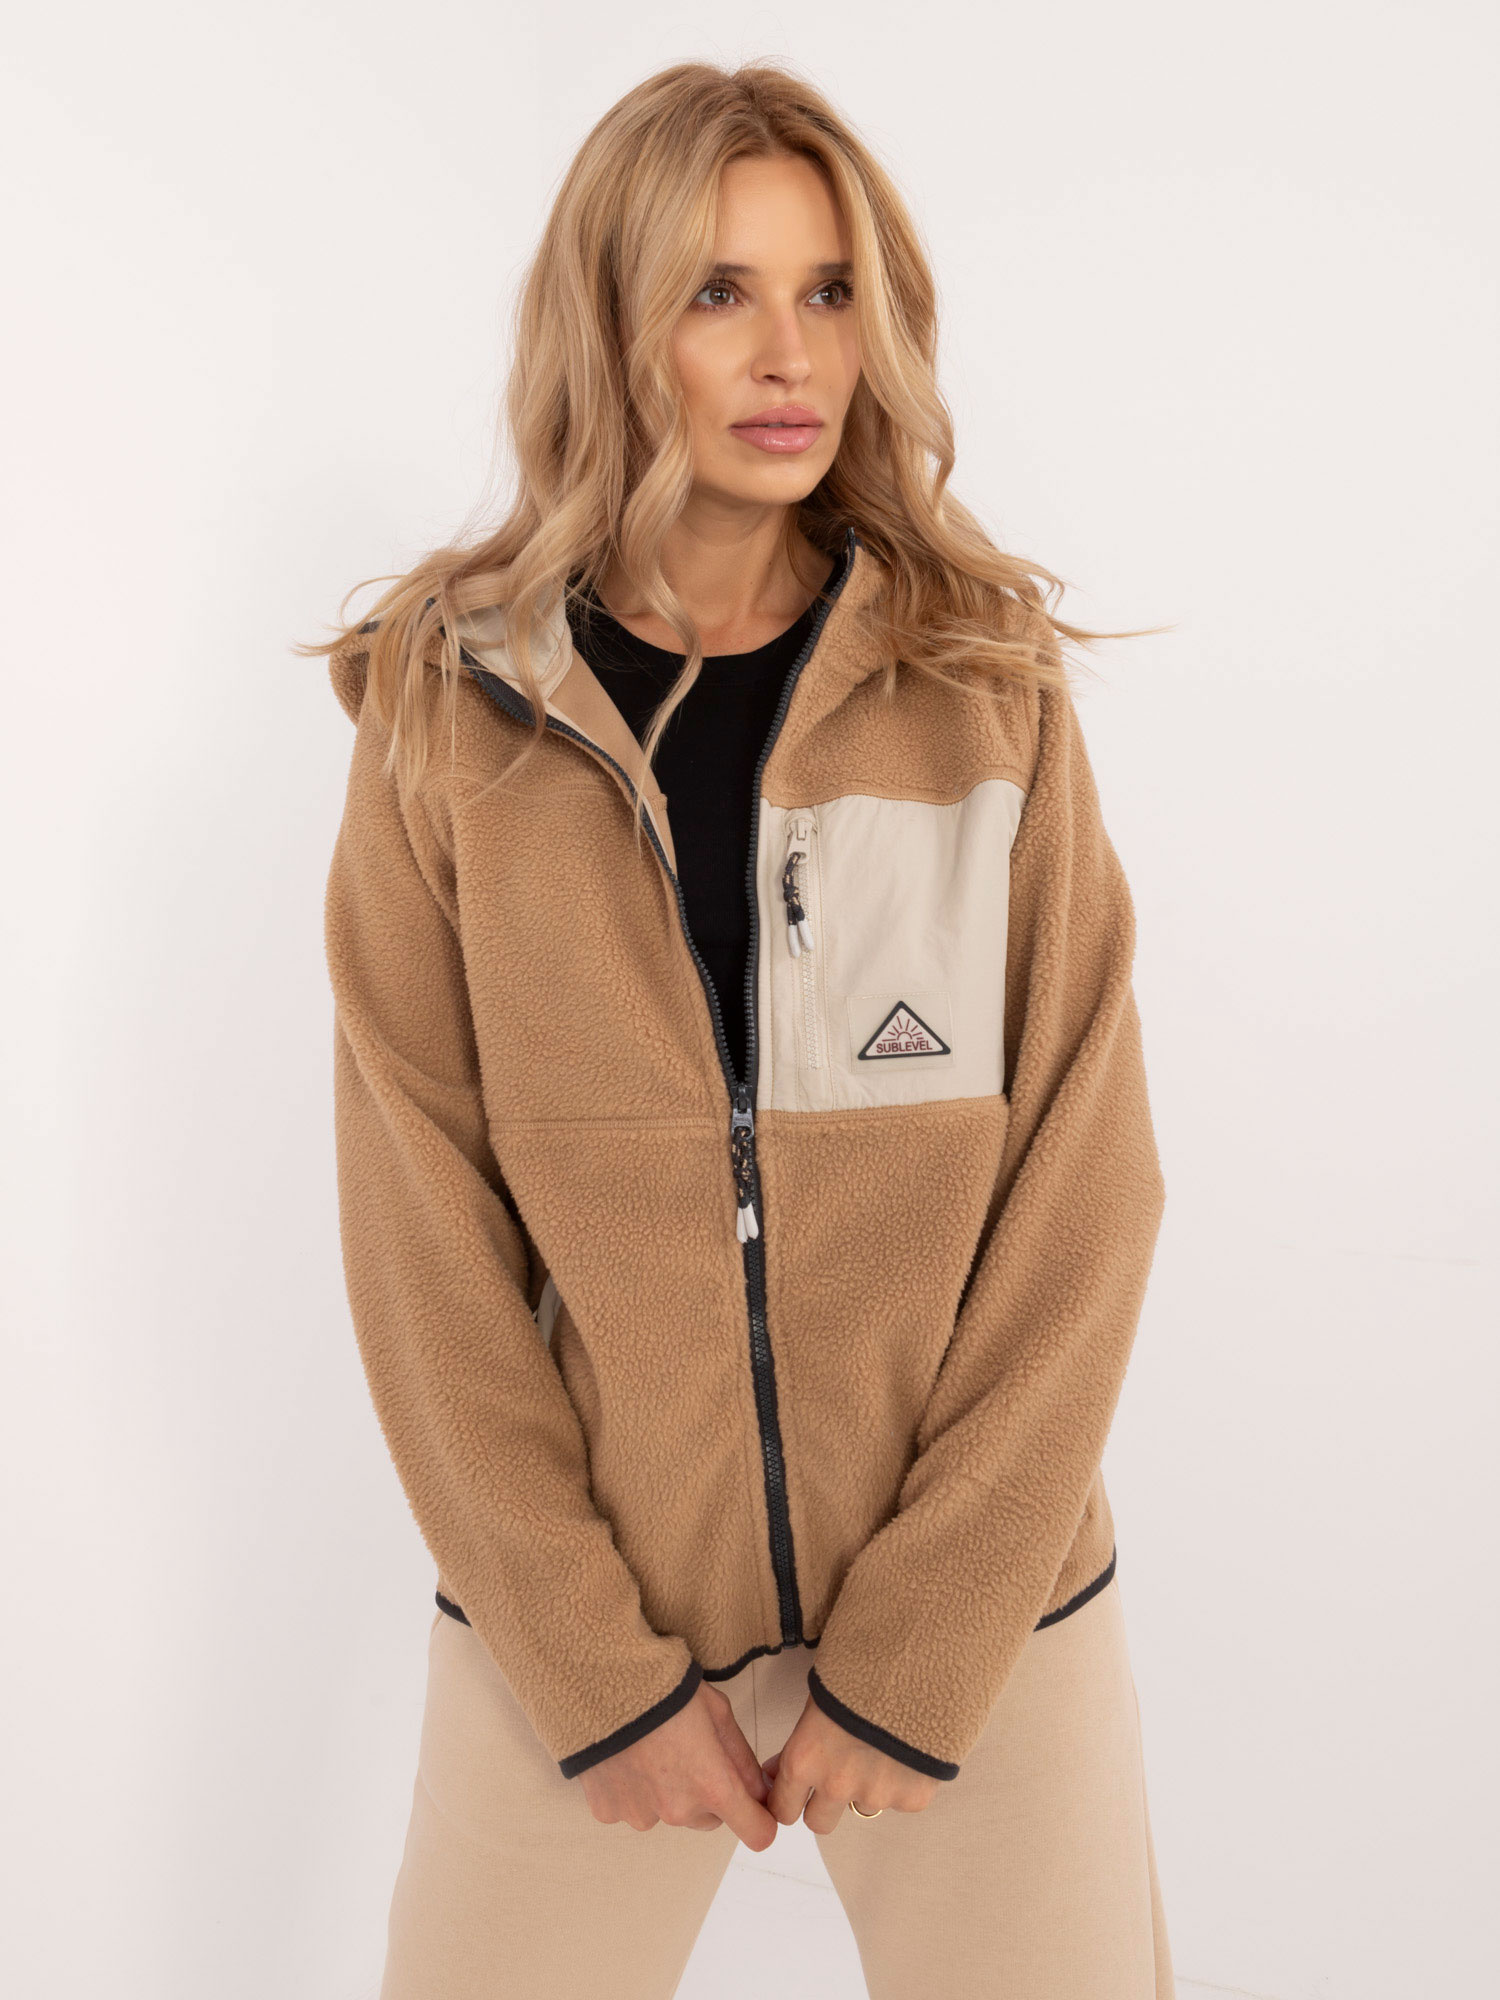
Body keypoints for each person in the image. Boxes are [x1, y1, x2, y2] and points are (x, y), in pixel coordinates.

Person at [309, 57, 1175, 2000]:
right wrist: (593, 1674)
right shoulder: (451, 712)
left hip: (984, 1614)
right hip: (591, 1624)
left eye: (829, 290)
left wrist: (930, 1642)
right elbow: (421, 1234)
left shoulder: (982, 687)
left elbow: (1087, 1191)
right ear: (611, 324)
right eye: (719, 291)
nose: (791, 355)